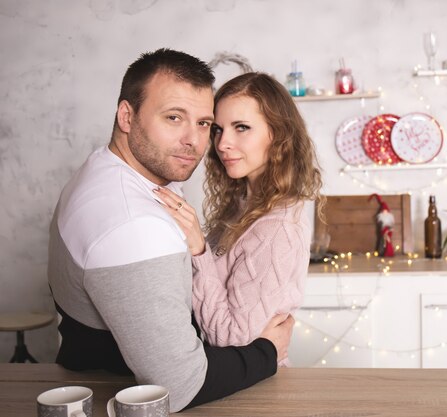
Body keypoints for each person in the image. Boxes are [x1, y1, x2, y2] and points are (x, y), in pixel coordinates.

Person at [47, 48, 294, 413]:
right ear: (126, 116)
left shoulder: (113, 170)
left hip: (95, 371)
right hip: (111, 391)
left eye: (203, 123)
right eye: (174, 117)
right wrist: (268, 351)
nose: (194, 141)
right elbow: (178, 386)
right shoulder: (134, 224)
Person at [154, 72, 323, 352]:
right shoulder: (245, 206)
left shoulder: (276, 228)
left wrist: (198, 250)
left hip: (253, 392)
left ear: (278, 135)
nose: (221, 144)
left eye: (241, 127)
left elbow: (231, 339)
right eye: (218, 129)